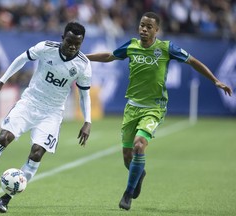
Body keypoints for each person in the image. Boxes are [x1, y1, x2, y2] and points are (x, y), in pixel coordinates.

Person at [86, 12, 233, 211]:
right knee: (127, 156)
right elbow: (110, 56)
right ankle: (139, 174)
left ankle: (128, 194)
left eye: (148, 27)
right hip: (132, 107)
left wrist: (215, 79)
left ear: (157, 30)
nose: (144, 30)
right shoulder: (131, 46)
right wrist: (84, 57)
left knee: (139, 145)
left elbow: (192, 61)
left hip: (155, 107)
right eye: (142, 25)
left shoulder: (166, 48)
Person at [0, 22, 92, 213]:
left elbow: (84, 95)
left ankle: (6, 198)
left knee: (37, 153)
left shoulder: (82, 64)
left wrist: (87, 120)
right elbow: (21, 59)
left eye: (77, 44)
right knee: (3, 138)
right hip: (30, 103)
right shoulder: (46, 48)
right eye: (70, 42)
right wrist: (2, 81)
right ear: (62, 37)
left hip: (52, 112)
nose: (73, 47)